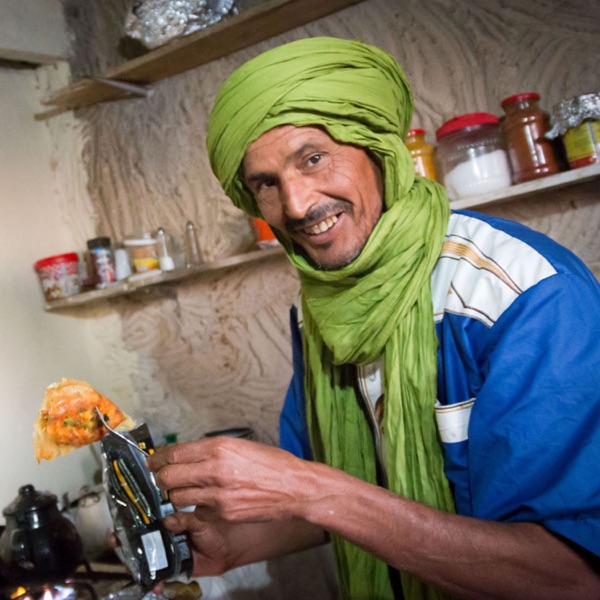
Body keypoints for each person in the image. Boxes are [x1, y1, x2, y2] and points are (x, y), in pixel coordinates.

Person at [147, 37, 600, 599]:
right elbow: (345, 489)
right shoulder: (320, 311)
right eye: (266, 183)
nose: (295, 204)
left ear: (379, 150)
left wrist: (310, 488)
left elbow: (572, 579)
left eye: (312, 158)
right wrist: (238, 544)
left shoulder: (519, 295)